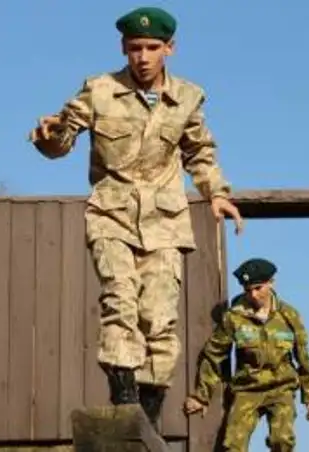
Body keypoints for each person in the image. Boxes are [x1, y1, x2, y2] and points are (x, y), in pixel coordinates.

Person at [28, 6, 244, 426]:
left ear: (169, 48)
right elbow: (63, 137)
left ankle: (148, 415)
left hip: (165, 222)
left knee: (159, 319)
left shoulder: (186, 98)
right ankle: (124, 402)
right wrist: (51, 135)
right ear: (123, 49)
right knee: (120, 300)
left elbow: (200, 152)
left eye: (151, 48)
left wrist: (216, 194)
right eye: (134, 48)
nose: (143, 57)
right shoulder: (100, 90)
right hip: (112, 215)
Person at [184, 258, 309, 451]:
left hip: (281, 388)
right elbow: (214, 354)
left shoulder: (288, 316)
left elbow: (303, 355)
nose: (253, 295)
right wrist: (201, 396)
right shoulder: (234, 317)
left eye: (258, 288)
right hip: (247, 388)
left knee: (282, 440)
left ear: (271, 283)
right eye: (248, 290)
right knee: (233, 444)